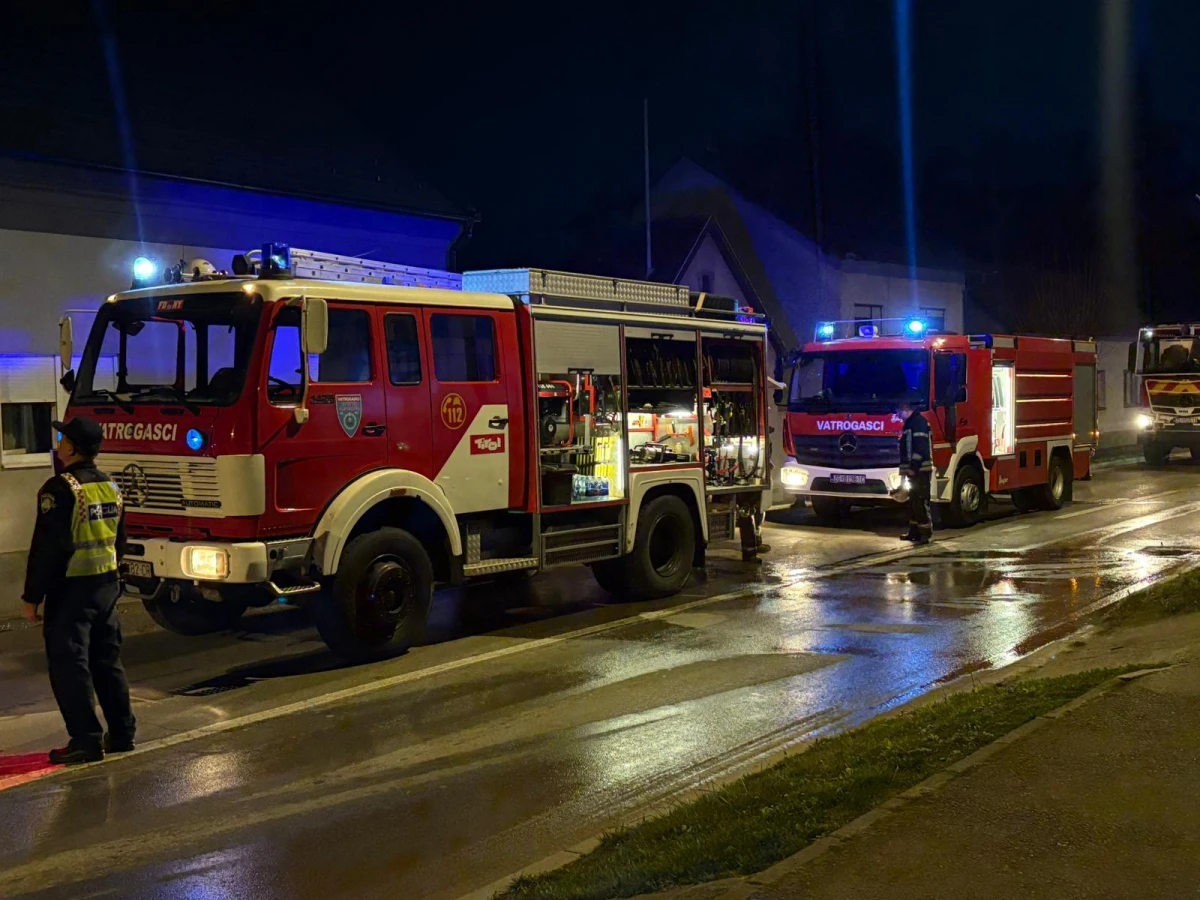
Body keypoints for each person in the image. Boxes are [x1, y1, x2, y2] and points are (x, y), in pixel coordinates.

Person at [23, 416, 136, 765]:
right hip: (106, 586)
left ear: (71, 448)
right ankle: (121, 733)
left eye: (62, 441)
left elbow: (48, 547)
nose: (59, 446)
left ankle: (86, 740)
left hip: (71, 592)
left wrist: (33, 595)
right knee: (107, 661)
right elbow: (120, 540)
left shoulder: (60, 489)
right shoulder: (110, 486)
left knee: (70, 665)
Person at [897, 400, 934, 545]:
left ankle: (925, 533)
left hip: (920, 470)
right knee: (912, 502)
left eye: (899, 412)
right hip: (913, 470)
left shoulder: (918, 423)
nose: (899, 415)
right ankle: (914, 532)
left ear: (906, 409)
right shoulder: (911, 423)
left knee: (920, 501)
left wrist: (913, 466)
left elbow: (920, 448)